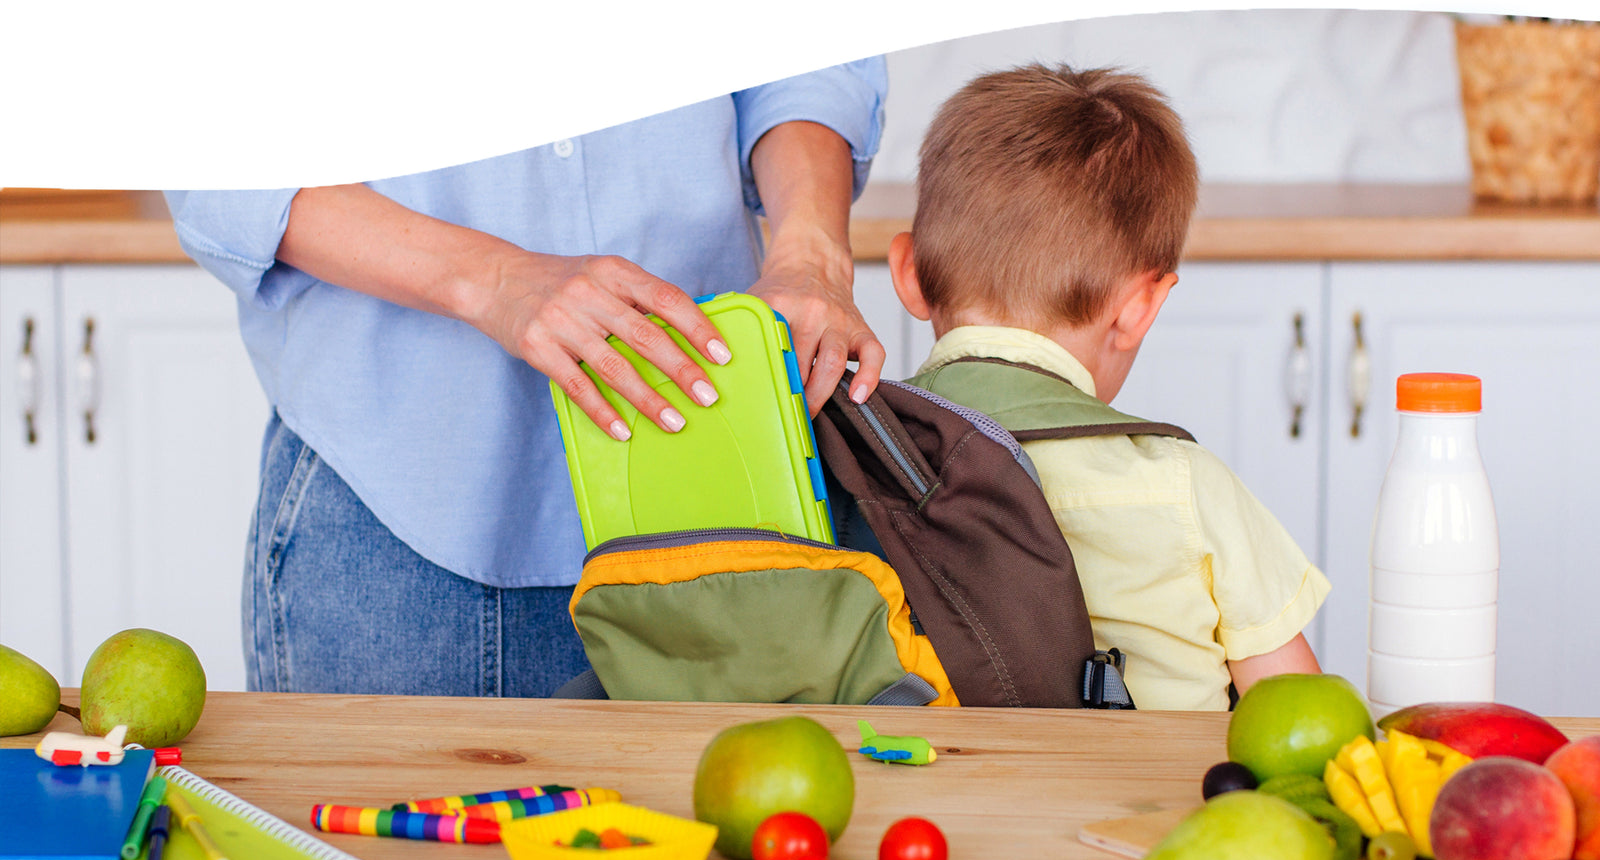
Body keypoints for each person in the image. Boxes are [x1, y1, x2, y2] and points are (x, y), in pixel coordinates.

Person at [164, 59, 888, 698]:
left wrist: (811, 248)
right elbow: (212, 143)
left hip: (719, 491)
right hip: (395, 521)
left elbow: (807, 53)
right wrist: (495, 280)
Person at [883, 64, 1329, 710]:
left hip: (934, 809)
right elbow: (1302, 724)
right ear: (1139, 307)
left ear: (910, 274)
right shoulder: (1189, 487)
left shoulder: (850, 464)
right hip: (1171, 811)